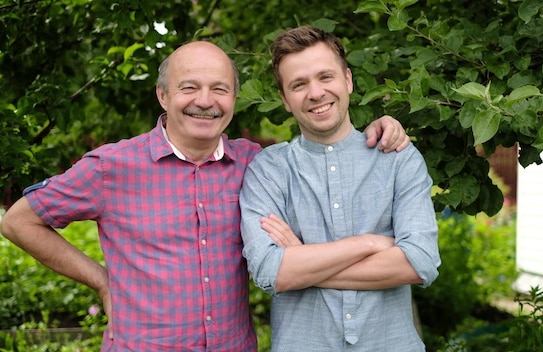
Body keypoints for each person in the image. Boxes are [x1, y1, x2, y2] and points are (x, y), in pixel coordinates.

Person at [0, 39, 410, 351]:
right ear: (163, 95)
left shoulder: (256, 164)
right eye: (189, 87)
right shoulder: (111, 167)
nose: (204, 101)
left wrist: (382, 127)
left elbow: (323, 142)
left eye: (219, 89)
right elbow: (19, 221)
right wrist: (102, 283)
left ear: (233, 98)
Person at [239, 26, 441, 351]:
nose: (316, 93)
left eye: (325, 77)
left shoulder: (397, 159)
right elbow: (269, 271)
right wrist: (370, 242)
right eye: (299, 84)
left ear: (348, 80)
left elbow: (419, 262)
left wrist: (301, 264)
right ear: (285, 100)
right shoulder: (268, 170)